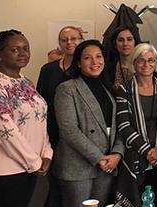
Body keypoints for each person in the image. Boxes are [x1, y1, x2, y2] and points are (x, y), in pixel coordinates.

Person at [0, 29, 53, 207]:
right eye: (15, 49)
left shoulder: (24, 81)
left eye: (26, 48)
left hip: (26, 166)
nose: (22, 53)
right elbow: (6, 132)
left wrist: (47, 153)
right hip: (1, 169)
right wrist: (35, 161)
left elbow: (40, 120)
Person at [52, 40, 124, 207]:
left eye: (99, 56)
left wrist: (117, 154)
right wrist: (99, 158)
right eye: (87, 58)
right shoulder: (67, 89)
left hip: (108, 163)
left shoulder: (110, 89)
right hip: (78, 166)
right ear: (78, 62)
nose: (95, 62)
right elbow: (69, 130)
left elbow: (119, 126)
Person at [113, 43, 157, 207]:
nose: (146, 65)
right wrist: (148, 152)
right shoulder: (124, 90)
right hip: (136, 157)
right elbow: (124, 125)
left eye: (151, 60)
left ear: (156, 63)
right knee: (138, 200)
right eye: (141, 61)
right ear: (134, 63)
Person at [36, 25, 83, 207]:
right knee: (55, 186)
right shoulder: (48, 70)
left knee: (74, 190)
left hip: (78, 138)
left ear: (81, 41)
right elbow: (39, 105)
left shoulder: (86, 69)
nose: (69, 42)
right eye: (64, 40)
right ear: (59, 44)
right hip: (53, 137)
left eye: (74, 38)